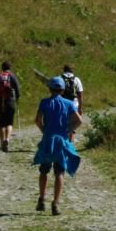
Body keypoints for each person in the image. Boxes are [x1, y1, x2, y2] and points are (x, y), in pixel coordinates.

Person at [33, 76, 83, 216]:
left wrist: (44, 130)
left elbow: (37, 120)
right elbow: (79, 120)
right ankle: (56, 203)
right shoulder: (68, 103)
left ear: (50, 89)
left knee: (43, 171)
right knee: (59, 172)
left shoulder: (44, 102)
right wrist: (69, 130)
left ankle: (42, 199)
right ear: (62, 90)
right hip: (62, 141)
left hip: (48, 140)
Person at [0, 60, 20, 151]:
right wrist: (17, 98)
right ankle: (7, 139)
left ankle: (2, 143)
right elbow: (17, 88)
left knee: (1, 123)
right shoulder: (12, 76)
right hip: (10, 101)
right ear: (10, 68)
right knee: (9, 123)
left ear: (2, 68)